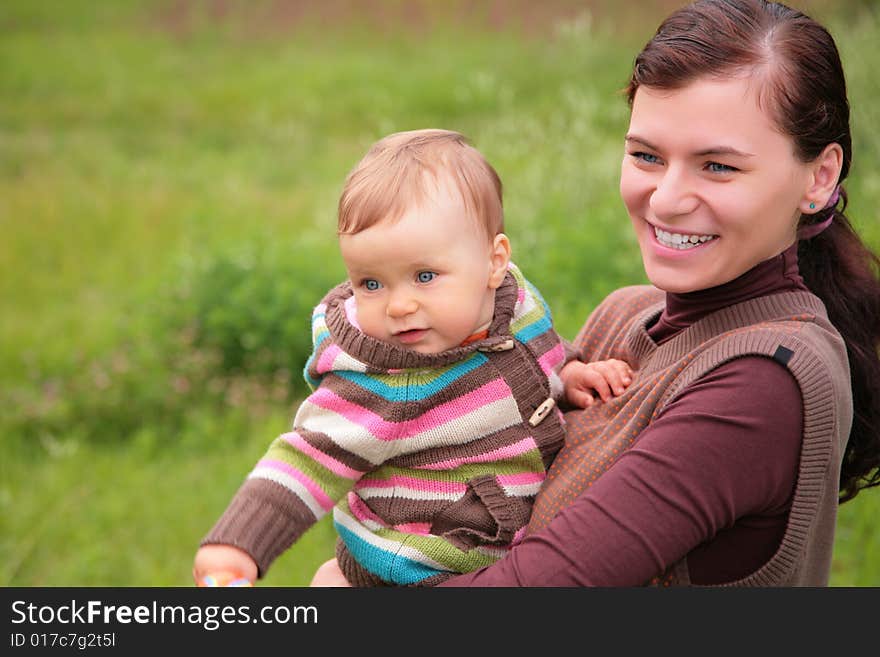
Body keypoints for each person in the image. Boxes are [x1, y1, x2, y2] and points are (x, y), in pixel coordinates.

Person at [310, 0, 880, 588]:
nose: (665, 199)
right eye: (647, 156)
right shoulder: (623, 316)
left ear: (819, 177)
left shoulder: (762, 382)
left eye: (717, 167)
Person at [193, 129, 633, 586]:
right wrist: (238, 543)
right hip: (419, 568)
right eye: (371, 284)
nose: (399, 306)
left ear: (494, 262)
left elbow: (537, 345)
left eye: (424, 276)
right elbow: (308, 458)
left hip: (495, 541)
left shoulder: (511, 298)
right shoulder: (384, 382)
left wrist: (569, 372)